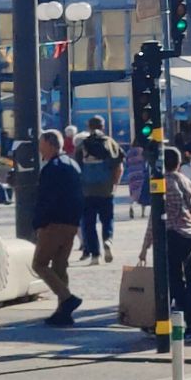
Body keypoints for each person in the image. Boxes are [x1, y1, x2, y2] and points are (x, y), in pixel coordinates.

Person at [140, 146, 191, 341]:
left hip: (170, 235)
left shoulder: (161, 183)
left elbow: (155, 219)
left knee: (172, 281)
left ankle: (188, 324)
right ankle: (162, 321)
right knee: (185, 280)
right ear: (178, 163)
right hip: (187, 235)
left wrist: (146, 246)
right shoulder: (186, 182)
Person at [31, 131, 85, 326]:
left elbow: (46, 200)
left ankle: (67, 298)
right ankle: (63, 312)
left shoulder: (51, 168)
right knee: (60, 267)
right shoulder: (73, 164)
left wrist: (38, 223)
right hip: (71, 224)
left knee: (39, 264)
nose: (39, 148)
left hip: (53, 223)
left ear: (49, 144)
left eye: (41, 143)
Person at [75, 115, 124, 264]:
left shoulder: (82, 145)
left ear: (89, 127)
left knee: (88, 223)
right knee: (107, 218)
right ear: (103, 126)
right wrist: (114, 184)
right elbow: (119, 166)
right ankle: (108, 240)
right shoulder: (110, 143)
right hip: (106, 189)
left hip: (87, 191)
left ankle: (95, 255)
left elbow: (77, 169)